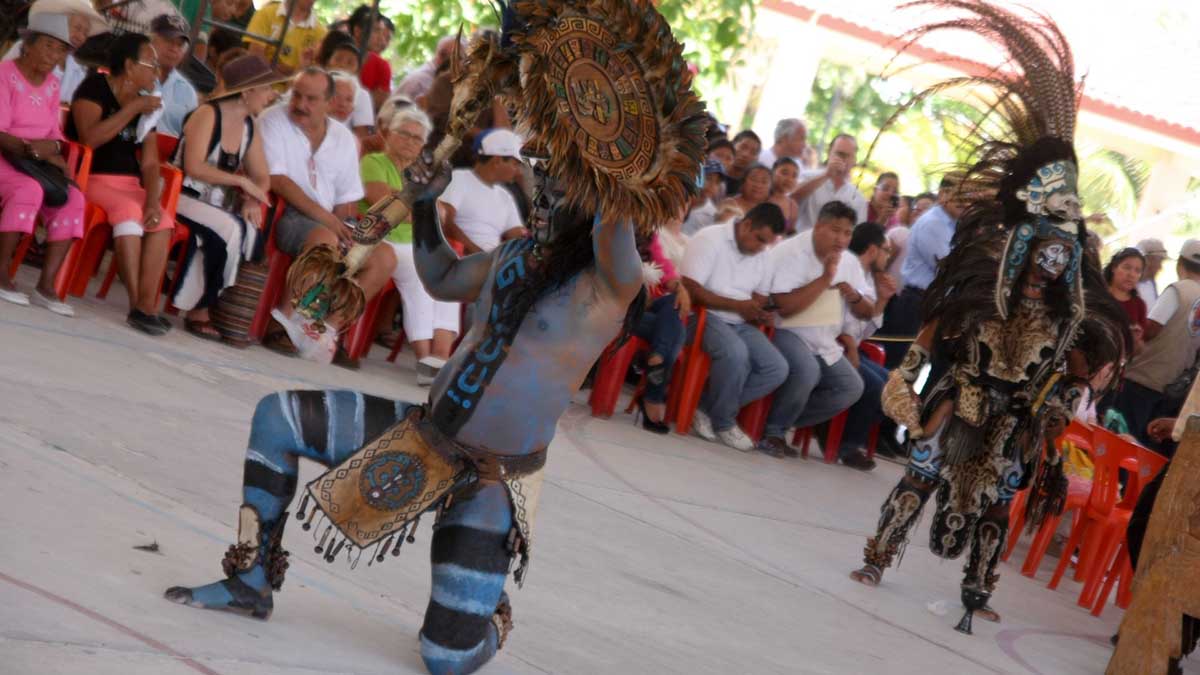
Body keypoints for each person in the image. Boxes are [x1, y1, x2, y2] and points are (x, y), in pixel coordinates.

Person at [162, 3, 705, 671]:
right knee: (277, 419)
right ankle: (251, 580)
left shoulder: (610, 282)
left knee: (446, 659)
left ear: (591, 203)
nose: (542, 193)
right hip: (424, 435)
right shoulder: (512, 259)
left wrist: (605, 122)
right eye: (544, 181)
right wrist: (423, 205)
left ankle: (492, 619)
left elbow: (613, 210)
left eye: (560, 187)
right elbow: (443, 276)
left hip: (489, 481)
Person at [848, 1, 1131, 634]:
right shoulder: (983, 286)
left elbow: (1076, 371)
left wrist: (1062, 404)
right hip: (961, 401)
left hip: (1016, 419)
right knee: (919, 478)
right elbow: (933, 331)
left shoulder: (1069, 316)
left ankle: (976, 590)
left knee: (998, 505)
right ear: (1026, 247)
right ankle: (877, 556)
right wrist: (909, 379)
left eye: (1064, 258)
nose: (1049, 267)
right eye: (1044, 253)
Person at [259, 67, 394, 355]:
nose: (300, 104)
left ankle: (323, 330)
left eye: (311, 98)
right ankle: (283, 324)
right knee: (325, 240)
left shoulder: (345, 139)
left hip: (331, 219)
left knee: (383, 256)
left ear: (329, 102)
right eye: (296, 95)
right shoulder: (273, 120)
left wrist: (345, 227)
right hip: (286, 213)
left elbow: (347, 198)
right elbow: (277, 180)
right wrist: (330, 222)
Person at [68, 32, 173, 335]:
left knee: (162, 220)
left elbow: (151, 162)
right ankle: (136, 305)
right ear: (129, 66)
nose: (156, 71)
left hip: (129, 183)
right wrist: (132, 110)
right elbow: (90, 138)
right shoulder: (94, 88)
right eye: (151, 64)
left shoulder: (147, 106)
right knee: (128, 211)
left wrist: (153, 201)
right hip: (92, 177)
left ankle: (146, 306)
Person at [756, 201, 875, 465]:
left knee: (851, 387)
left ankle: (780, 421)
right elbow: (785, 308)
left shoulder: (851, 262)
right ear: (819, 226)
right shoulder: (790, 252)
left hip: (824, 339)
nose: (841, 239)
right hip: (786, 330)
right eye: (835, 230)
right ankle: (773, 433)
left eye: (847, 233)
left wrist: (854, 296)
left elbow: (867, 312)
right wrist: (825, 278)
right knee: (808, 370)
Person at [170, 55, 279, 339]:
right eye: (266, 88)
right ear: (246, 91)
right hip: (182, 195)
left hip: (216, 204)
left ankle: (226, 311)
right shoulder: (208, 114)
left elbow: (262, 177)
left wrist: (252, 198)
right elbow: (193, 167)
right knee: (230, 229)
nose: (271, 95)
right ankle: (200, 309)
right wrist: (240, 182)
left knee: (252, 232)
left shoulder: (249, 125)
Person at [359, 105, 460, 384]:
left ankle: (440, 358)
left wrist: (410, 207)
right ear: (389, 134)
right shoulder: (375, 162)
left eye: (417, 138)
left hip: (416, 243)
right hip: (385, 240)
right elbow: (383, 203)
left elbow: (438, 213)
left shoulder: (424, 174)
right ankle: (424, 359)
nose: (410, 141)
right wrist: (419, 209)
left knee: (450, 281)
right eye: (404, 134)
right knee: (422, 280)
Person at [679, 203, 789, 451]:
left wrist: (760, 313)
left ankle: (706, 408)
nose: (761, 248)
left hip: (738, 321)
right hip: (702, 316)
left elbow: (759, 297)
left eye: (766, 243)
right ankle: (724, 422)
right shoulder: (710, 239)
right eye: (759, 239)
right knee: (736, 353)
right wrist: (739, 305)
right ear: (746, 224)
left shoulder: (763, 254)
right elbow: (691, 290)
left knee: (777, 368)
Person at [0, 14, 87, 314]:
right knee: (28, 190)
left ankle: (46, 286)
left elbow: (55, 136)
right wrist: (33, 150)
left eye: (61, 50)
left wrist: (46, 151)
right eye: (49, 46)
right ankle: (2, 273)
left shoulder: (52, 85)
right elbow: (1, 132)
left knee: (74, 198)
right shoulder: (5, 74)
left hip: (33, 162)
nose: (55, 56)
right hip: (5, 158)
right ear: (28, 46)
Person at [1113, 239, 1200, 451]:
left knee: (1121, 440)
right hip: (1173, 390)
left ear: (1180, 263)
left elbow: (1151, 329)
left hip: (1143, 379)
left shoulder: (1177, 290)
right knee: (1142, 450)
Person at [877, 172, 965, 367]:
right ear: (943, 194)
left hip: (930, 305)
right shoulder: (933, 223)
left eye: (967, 197)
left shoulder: (951, 224)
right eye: (959, 196)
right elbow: (949, 268)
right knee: (898, 371)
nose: (964, 202)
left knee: (911, 371)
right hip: (916, 305)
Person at [838, 222, 898, 464]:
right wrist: (852, 348)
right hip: (839, 345)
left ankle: (851, 436)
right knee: (874, 385)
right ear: (872, 250)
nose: (889, 256)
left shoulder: (868, 278)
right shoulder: (846, 268)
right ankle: (846, 445)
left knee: (893, 385)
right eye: (886, 250)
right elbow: (839, 322)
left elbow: (866, 330)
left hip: (855, 346)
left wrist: (882, 299)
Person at [631, 219, 691, 433]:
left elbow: (663, 267)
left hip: (641, 308)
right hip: (613, 305)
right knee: (675, 332)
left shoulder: (647, 232)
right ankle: (652, 398)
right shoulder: (612, 225)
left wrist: (679, 288)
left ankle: (656, 356)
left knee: (672, 304)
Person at [436, 128, 525, 255]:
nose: (518, 172)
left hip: (492, 266)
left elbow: (518, 236)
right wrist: (479, 256)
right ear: (497, 161)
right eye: (515, 164)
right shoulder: (459, 178)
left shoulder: (505, 196)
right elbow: (445, 221)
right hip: (461, 263)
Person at [2, 0, 106, 104]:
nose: (80, 37)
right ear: (61, 23)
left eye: (85, 33)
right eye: (77, 28)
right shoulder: (28, 47)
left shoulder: (79, 70)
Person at [792, 134, 868, 233]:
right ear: (829, 153)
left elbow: (857, 232)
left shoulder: (858, 197)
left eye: (848, 156)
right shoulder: (808, 176)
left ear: (854, 160)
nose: (843, 159)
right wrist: (826, 175)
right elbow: (791, 197)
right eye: (840, 154)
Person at [316, 31, 374, 141]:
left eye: (350, 62)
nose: (342, 65)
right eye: (338, 59)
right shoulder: (317, 84)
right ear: (328, 63)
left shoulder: (362, 95)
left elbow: (362, 135)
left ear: (357, 71)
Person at [148, 14, 200, 137]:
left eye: (180, 45)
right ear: (150, 41)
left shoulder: (188, 91)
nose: (174, 49)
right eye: (169, 41)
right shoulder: (135, 76)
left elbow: (190, 134)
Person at [244, 0, 326, 74]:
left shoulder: (321, 33)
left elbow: (313, 74)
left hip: (293, 89)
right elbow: (255, 56)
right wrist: (293, 72)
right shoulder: (266, 13)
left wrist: (289, 71)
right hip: (258, 84)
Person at [348, 5, 394, 111]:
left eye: (381, 31)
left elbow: (377, 104)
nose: (381, 38)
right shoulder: (336, 55)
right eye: (376, 31)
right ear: (357, 31)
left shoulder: (382, 66)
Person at [1103, 246, 1148, 349]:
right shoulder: (1098, 296)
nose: (1131, 274)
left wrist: (1135, 340)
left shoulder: (1139, 305)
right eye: (1127, 267)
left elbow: (1139, 349)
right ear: (1114, 268)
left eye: (1137, 271)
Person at [397, 35, 459, 100]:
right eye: (443, 55)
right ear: (436, 53)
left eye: (456, 58)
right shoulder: (418, 81)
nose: (448, 62)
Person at [682, 159, 724, 235]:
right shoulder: (680, 196)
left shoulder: (712, 214)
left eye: (717, 182)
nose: (712, 185)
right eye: (708, 178)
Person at [766, 157, 800, 233]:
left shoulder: (792, 206)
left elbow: (789, 233)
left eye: (794, 176)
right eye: (784, 173)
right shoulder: (761, 196)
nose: (789, 179)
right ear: (772, 173)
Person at [723, 129, 760, 196]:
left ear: (756, 159)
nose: (746, 154)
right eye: (743, 147)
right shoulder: (713, 175)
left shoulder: (748, 189)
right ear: (732, 144)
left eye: (753, 152)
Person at [1136, 237, 1169, 305]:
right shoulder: (1127, 286)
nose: (1160, 268)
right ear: (1148, 261)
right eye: (1159, 261)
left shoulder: (1151, 283)